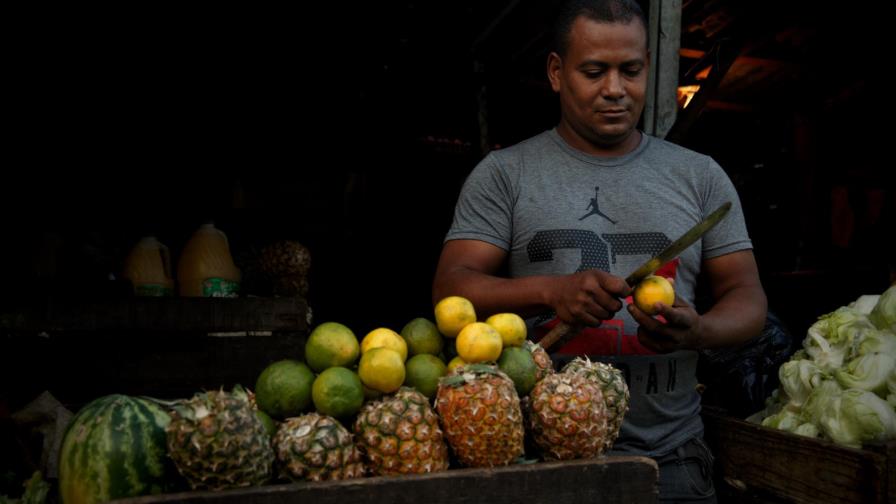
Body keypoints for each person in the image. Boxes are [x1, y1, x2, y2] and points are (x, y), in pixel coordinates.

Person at [432, 0, 767, 502]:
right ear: (556, 72)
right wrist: (549, 289)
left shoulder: (699, 177)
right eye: (594, 72)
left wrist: (700, 330)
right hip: (541, 464)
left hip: (670, 461)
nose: (615, 89)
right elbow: (451, 288)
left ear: (648, 69)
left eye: (630, 71)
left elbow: (747, 296)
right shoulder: (506, 175)